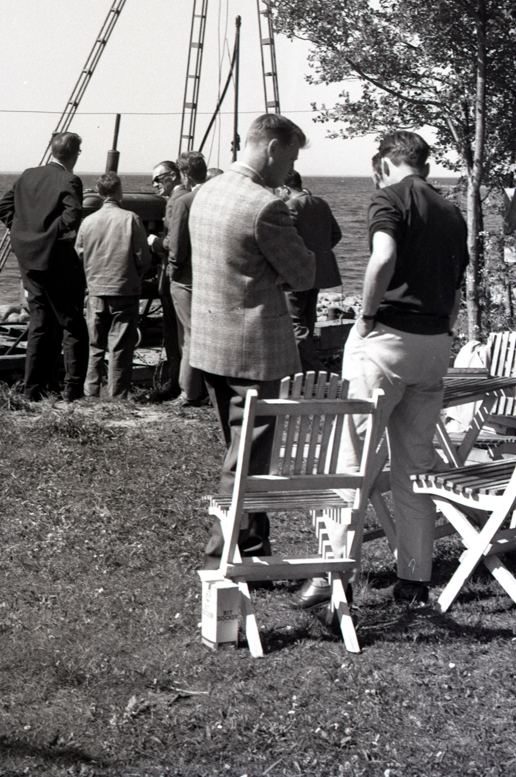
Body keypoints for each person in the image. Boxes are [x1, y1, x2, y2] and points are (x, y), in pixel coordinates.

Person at [297, 130, 467, 610]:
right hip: (434, 342)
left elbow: (384, 256)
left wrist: (367, 317)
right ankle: (414, 578)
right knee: (415, 466)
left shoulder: (389, 198)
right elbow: (457, 286)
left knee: (352, 460)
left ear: (385, 164)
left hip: (387, 339)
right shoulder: (452, 211)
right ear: (424, 165)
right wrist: (444, 329)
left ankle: (332, 576)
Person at [188, 114, 316, 562]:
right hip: (255, 351)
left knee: (241, 452)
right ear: (274, 148)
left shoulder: (207, 191)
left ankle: (252, 545)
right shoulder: (265, 205)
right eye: (291, 159)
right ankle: (219, 556)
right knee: (246, 460)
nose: (291, 169)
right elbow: (304, 274)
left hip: (212, 343)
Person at [0, 132, 89, 403]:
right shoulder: (69, 179)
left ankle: (33, 390)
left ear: (51, 150)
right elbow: (72, 216)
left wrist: (23, 231)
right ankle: (72, 391)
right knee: (72, 325)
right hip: (56, 261)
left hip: (29, 260)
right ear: (75, 154)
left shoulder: (28, 175)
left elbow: (3, 207)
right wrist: (50, 235)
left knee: (40, 324)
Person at [75, 172, 152, 399]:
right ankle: (117, 396)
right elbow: (143, 257)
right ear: (119, 191)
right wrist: (135, 277)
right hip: (124, 289)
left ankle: (91, 392)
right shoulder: (131, 219)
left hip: (96, 290)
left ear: (99, 193)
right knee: (120, 347)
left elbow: (79, 255)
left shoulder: (88, 222)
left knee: (95, 346)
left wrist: (91, 277)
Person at [280, 170, 342, 371]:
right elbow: (336, 234)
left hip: (297, 273)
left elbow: (284, 240)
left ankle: (311, 366)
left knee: (295, 321)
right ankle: (307, 364)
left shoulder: (291, 206)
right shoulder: (321, 203)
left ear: (285, 188)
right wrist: (319, 252)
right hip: (317, 272)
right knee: (308, 317)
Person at [165, 150, 209, 406]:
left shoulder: (185, 201)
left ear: (184, 175)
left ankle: (189, 392)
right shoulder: (216, 198)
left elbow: (177, 246)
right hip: (212, 276)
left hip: (187, 278)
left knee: (189, 335)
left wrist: (173, 269)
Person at [147, 160, 183, 400]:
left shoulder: (176, 201)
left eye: (157, 179)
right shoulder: (181, 198)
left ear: (172, 176)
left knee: (174, 331)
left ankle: (177, 381)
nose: (154, 185)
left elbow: (173, 243)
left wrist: (155, 242)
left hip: (173, 275)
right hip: (174, 274)